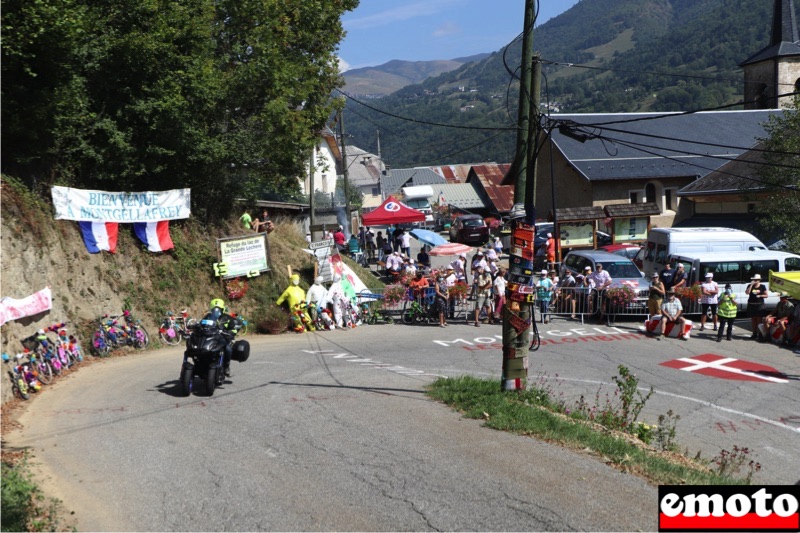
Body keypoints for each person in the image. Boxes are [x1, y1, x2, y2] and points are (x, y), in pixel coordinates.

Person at [745, 273, 768, 339]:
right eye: (754, 280)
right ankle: (754, 333)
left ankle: (760, 334)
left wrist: (760, 295)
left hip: (759, 304)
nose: (755, 281)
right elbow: (747, 293)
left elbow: (766, 295)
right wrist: (751, 285)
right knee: (753, 320)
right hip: (751, 304)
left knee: (759, 320)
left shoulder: (762, 286)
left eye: (757, 280)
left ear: (759, 280)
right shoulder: (750, 285)